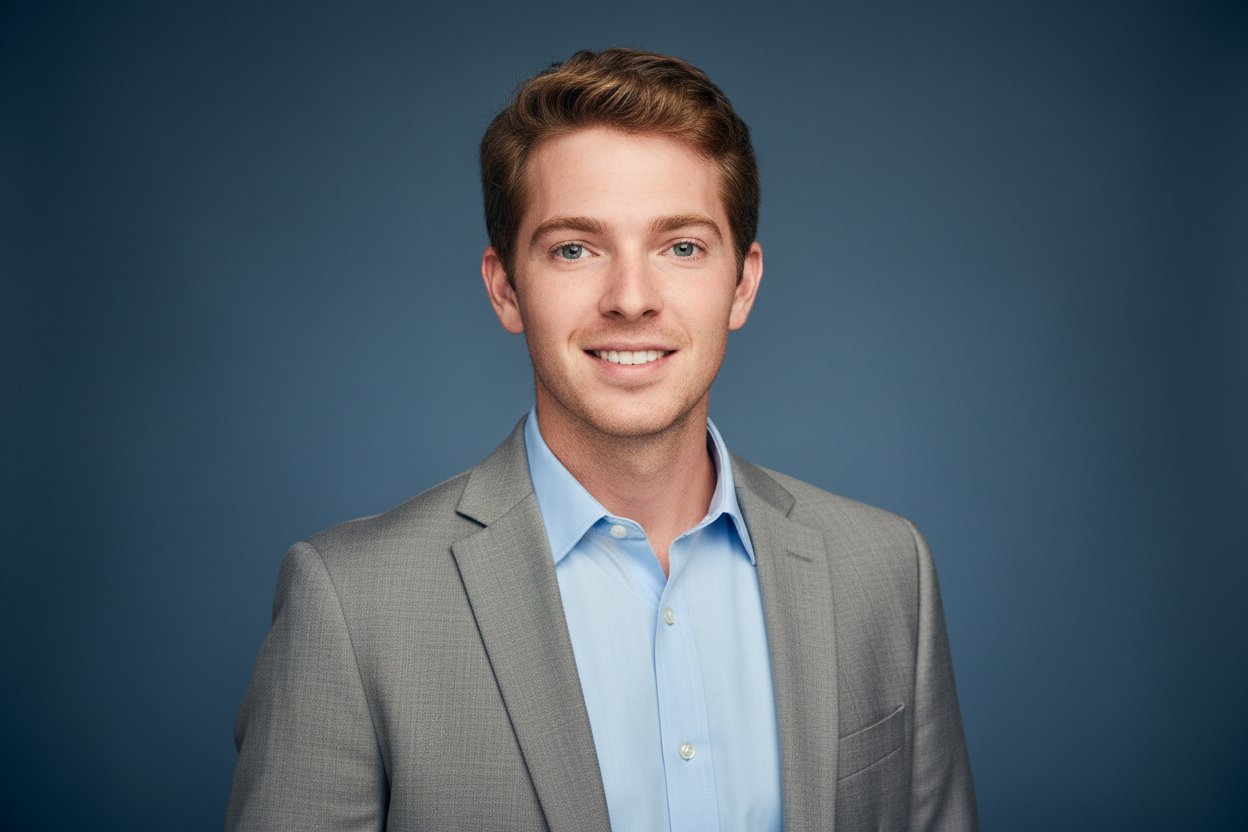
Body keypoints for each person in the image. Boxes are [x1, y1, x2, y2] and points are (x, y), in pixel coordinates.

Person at [227, 47, 977, 831]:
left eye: (681, 247)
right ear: (506, 288)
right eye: (575, 249)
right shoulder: (351, 607)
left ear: (743, 284)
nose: (630, 299)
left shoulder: (886, 573)